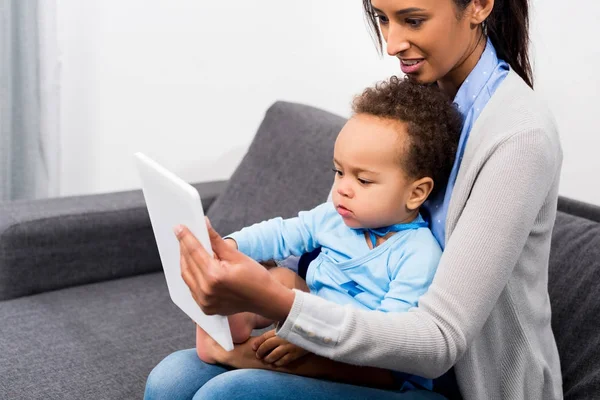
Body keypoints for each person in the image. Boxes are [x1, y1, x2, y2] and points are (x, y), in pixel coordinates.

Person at [145, 0, 563, 399]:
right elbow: (334, 230)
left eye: (413, 20)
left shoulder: (518, 138)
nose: (391, 43)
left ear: (478, 5)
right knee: (172, 379)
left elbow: (438, 341)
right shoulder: (419, 100)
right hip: (361, 346)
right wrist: (245, 274)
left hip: (450, 380)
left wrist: (283, 307)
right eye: (383, 18)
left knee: (232, 394)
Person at [188, 77, 462, 395]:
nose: (342, 188)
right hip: (316, 327)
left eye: (363, 180)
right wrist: (229, 246)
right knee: (281, 277)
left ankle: (234, 354)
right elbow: (283, 232)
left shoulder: (418, 253)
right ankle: (240, 317)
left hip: (378, 371)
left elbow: (388, 338)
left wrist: (312, 339)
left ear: (416, 193)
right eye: (339, 172)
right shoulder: (335, 217)